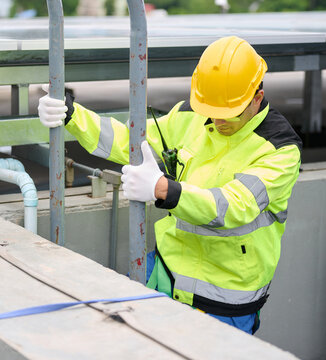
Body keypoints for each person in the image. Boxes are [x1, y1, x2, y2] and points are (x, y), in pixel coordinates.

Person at [37, 36, 302, 335]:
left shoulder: (279, 150)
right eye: (211, 110)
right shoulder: (192, 115)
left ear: (257, 97)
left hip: (223, 301)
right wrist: (73, 116)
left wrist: (163, 189)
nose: (218, 120)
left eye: (229, 113)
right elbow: (130, 141)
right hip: (164, 273)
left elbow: (232, 207)